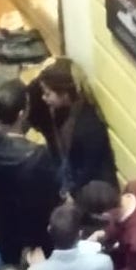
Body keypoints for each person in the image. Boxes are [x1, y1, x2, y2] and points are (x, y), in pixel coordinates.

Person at [0, 80, 60, 265]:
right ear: (22, 114)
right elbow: (51, 191)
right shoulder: (36, 155)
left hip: (1, 211)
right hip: (33, 219)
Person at [30, 58, 116, 195]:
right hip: (70, 164)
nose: (43, 98)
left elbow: (88, 171)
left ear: (64, 95)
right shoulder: (64, 107)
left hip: (88, 185)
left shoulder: (88, 128)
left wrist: (71, 193)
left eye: (47, 94)